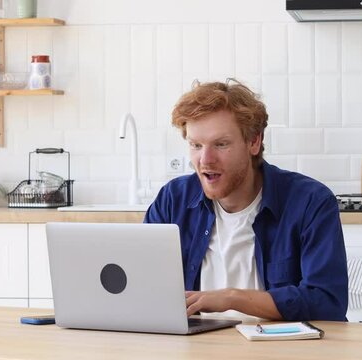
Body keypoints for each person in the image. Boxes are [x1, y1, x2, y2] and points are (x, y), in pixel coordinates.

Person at [144, 79, 348, 321]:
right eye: (196, 145)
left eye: (221, 144)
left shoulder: (310, 202)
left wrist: (232, 298)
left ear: (254, 142)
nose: (205, 160)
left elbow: (327, 302)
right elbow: (143, 287)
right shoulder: (172, 200)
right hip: (197, 347)